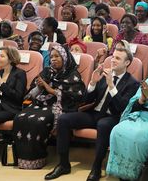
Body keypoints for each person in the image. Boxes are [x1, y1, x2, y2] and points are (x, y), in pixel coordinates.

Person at [44, 46, 139, 181]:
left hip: (113, 116)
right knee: (64, 119)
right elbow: (86, 100)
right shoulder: (105, 74)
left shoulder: (132, 83)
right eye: (113, 57)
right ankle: (63, 164)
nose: (113, 60)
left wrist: (112, 86)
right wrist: (93, 83)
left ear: (127, 63)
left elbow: (122, 107)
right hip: (95, 113)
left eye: (118, 58)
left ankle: (96, 167)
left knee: (103, 124)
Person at [13, 45, 85, 169]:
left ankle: (38, 158)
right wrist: (38, 86)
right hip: (40, 103)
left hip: (58, 105)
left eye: (57, 56)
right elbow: (34, 90)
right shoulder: (47, 70)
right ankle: (22, 158)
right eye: (51, 57)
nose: (53, 59)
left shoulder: (72, 74)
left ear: (64, 58)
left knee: (37, 121)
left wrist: (49, 88)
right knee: (20, 117)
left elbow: (76, 96)